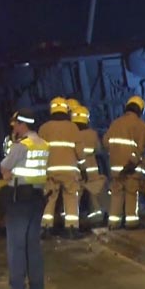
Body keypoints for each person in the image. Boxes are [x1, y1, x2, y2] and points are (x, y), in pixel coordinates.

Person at [0, 109, 49, 289]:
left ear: (23, 125)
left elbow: (4, 168)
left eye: (16, 124)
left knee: (16, 245)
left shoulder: (20, 146)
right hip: (37, 198)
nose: (14, 127)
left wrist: (8, 172)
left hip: (19, 198)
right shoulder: (44, 145)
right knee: (33, 245)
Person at [38, 97, 83, 237]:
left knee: (50, 198)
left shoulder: (44, 128)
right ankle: (71, 228)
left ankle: (45, 227)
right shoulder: (73, 127)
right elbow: (79, 151)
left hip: (50, 170)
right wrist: (83, 167)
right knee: (71, 197)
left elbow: (39, 151)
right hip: (69, 171)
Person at [103, 96, 145, 230]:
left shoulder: (115, 123)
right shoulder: (141, 125)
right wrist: (131, 163)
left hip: (116, 168)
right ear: (140, 110)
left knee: (116, 196)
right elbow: (141, 148)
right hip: (131, 168)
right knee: (131, 195)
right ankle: (131, 223)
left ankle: (113, 223)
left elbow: (106, 142)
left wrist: (116, 155)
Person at [72, 105, 107, 225]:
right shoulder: (92, 134)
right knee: (94, 195)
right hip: (91, 170)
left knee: (74, 197)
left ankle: (71, 221)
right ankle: (96, 218)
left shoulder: (72, 135)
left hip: (76, 170)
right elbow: (98, 149)